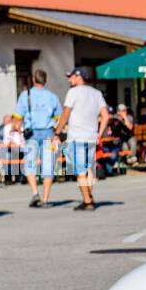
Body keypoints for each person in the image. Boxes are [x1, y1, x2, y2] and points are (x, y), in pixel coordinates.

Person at [54, 67, 110, 211]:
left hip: (77, 137)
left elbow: (65, 114)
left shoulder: (73, 92)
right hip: (91, 137)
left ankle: (87, 201)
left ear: (79, 77)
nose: (69, 79)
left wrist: (57, 132)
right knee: (88, 170)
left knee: (80, 171)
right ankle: (88, 196)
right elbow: (105, 115)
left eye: (71, 76)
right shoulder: (96, 93)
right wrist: (100, 133)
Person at [16, 69, 63, 207]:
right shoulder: (52, 96)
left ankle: (35, 192)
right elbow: (58, 117)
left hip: (31, 133)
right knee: (48, 165)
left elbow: (18, 116)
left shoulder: (25, 95)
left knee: (29, 163)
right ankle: (45, 199)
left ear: (33, 79)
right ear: (45, 80)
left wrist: (16, 127)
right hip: (48, 132)